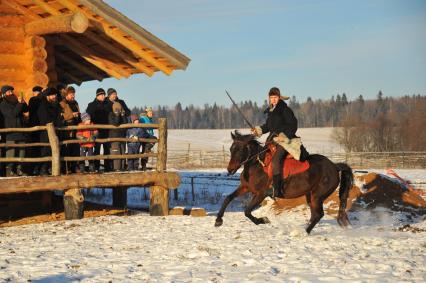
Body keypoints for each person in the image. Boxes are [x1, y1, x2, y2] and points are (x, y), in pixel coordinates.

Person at [251, 87, 298, 198]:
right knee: (261, 156)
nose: (273, 99)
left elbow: (293, 125)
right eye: (271, 97)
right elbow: (268, 126)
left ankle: (277, 190)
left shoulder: (285, 110)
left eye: (275, 97)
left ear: (279, 97)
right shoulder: (272, 111)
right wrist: (258, 130)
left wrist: (283, 136)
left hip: (285, 141)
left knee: (276, 161)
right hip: (272, 140)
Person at [0, 85, 29, 176]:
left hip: (21, 130)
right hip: (11, 132)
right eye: (9, 92)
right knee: (11, 152)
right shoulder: (3, 104)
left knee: (21, 152)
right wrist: (19, 104)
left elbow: (25, 110)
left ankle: (19, 169)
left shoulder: (16, 101)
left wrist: (23, 103)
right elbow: (13, 114)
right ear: (4, 94)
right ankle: (10, 171)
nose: (11, 93)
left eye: (12, 91)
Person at [37, 87, 63, 175]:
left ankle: (49, 168)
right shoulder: (43, 105)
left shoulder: (55, 105)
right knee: (45, 150)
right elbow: (44, 119)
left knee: (54, 150)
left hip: (55, 131)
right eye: (52, 95)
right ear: (48, 96)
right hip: (45, 132)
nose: (54, 96)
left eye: (55, 95)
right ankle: (43, 168)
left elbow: (59, 116)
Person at [86, 88, 110, 172]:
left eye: (104, 94)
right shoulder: (91, 105)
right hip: (96, 130)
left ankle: (108, 167)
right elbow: (87, 116)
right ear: (97, 96)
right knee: (97, 149)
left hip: (106, 130)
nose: (103, 96)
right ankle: (96, 167)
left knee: (107, 149)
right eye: (101, 95)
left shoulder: (108, 104)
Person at [60, 86, 81, 173]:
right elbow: (63, 116)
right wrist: (72, 115)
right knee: (67, 148)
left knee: (76, 148)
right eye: (71, 94)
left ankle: (75, 167)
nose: (73, 96)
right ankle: (66, 168)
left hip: (76, 128)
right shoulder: (62, 103)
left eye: (73, 94)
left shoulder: (75, 103)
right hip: (67, 129)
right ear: (66, 95)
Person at [28, 86, 44, 175]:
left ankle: (40, 167)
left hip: (41, 127)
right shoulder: (32, 100)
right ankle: (34, 168)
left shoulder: (41, 99)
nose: (39, 93)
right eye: (38, 92)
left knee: (41, 148)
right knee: (34, 149)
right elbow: (35, 107)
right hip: (34, 128)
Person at [108, 101, 126, 171]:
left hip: (121, 136)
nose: (119, 109)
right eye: (117, 108)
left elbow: (125, 123)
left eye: (120, 108)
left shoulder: (121, 114)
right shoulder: (111, 114)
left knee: (122, 152)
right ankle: (116, 168)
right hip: (114, 136)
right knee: (116, 152)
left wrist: (123, 115)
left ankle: (122, 167)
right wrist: (117, 114)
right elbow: (115, 123)